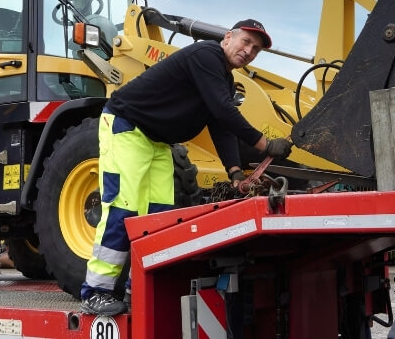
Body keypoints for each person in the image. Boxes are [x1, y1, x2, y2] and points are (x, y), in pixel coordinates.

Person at [80, 19, 293, 316]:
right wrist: (265, 145)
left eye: (255, 49)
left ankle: (136, 288)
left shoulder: (223, 80)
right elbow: (222, 110)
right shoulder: (206, 55)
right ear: (228, 38)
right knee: (123, 207)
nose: (249, 51)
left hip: (158, 142)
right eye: (245, 42)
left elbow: (220, 127)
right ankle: (97, 291)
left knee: (158, 216)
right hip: (127, 127)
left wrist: (234, 173)